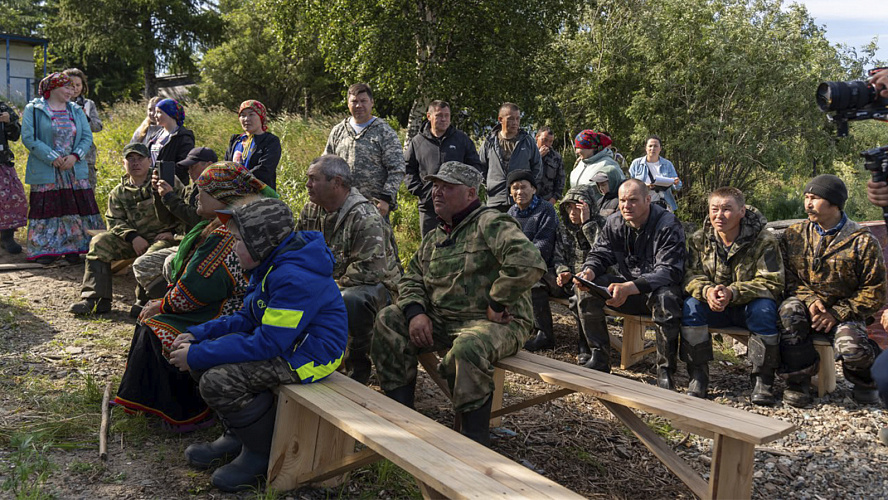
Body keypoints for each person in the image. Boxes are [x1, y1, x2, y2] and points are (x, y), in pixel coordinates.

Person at [169, 198, 347, 492]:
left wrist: (199, 354)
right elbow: (247, 316)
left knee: (216, 380)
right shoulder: (271, 263)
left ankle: (261, 455)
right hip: (285, 345)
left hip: (309, 356)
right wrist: (198, 335)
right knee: (206, 358)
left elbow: (268, 343)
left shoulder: (293, 277)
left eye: (238, 241)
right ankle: (238, 436)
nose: (234, 248)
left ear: (260, 242)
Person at [371, 161, 546, 446]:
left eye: (447, 188)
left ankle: (474, 440)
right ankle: (401, 419)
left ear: (470, 194)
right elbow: (412, 279)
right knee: (389, 320)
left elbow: (528, 261)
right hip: (444, 319)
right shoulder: (435, 237)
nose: (437, 193)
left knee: (467, 348)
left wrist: (498, 301)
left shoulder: (491, 222)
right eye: (435, 187)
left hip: (494, 322)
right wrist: (416, 313)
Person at [114, 161, 279, 434]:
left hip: (231, 311)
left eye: (203, 191)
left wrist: (164, 304)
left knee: (159, 328)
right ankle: (141, 401)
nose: (196, 195)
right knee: (149, 320)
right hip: (219, 305)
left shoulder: (227, 232)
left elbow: (198, 287)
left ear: (222, 197)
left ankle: (188, 412)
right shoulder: (218, 224)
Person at [779, 174, 887, 407]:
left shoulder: (862, 240)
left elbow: (875, 291)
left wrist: (836, 313)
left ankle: (866, 380)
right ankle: (797, 381)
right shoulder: (795, 234)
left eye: (815, 198)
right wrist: (809, 299)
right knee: (789, 311)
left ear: (834, 203)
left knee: (852, 347)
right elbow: (786, 277)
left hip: (846, 313)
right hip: (808, 308)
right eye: (806, 197)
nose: (807, 203)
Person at [562, 179, 685, 378]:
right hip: (626, 290)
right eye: (623, 200)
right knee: (584, 288)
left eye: (633, 200)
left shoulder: (667, 224)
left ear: (648, 199)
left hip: (656, 290)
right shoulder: (615, 222)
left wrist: (630, 287)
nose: (627, 206)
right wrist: (589, 271)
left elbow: (669, 271)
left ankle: (665, 371)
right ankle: (599, 357)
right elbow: (600, 254)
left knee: (666, 298)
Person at [296, 154, 402, 384]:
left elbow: (371, 270)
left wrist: (326, 286)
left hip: (377, 288)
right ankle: (306, 358)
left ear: (336, 183)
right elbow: (297, 252)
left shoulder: (364, 215)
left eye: (314, 179)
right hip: (332, 281)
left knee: (351, 300)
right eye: (308, 179)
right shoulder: (311, 210)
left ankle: (358, 369)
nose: (308, 184)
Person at [682, 187, 784, 403]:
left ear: (742, 212)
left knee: (765, 309)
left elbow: (772, 281)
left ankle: (762, 380)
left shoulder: (764, 241)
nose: (719, 215)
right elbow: (689, 275)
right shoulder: (699, 239)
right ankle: (698, 376)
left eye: (727, 209)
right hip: (714, 305)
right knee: (690, 307)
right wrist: (707, 291)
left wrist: (733, 292)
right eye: (715, 209)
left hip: (747, 307)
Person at [69, 143, 181, 315]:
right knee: (99, 243)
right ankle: (95, 299)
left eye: (140, 159)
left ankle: (145, 300)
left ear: (149, 161)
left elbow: (183, 209)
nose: (135, 163)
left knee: (152, 254)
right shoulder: (118, 192)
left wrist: (174, 233)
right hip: (133, 240)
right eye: (131, 159)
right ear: (124, 163)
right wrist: (132, 237)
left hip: (162, 238)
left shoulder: (166, 181)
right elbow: (114, 220)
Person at [21, 72, 104, 265]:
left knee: (75, 207)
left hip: (73, 169)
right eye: (66, 87)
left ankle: (74, 248)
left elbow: (86, 137)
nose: (71, 91)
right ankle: (46, 250)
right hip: (47, 168)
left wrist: (75, 156)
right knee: (47, 209)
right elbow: (29, 138)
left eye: (72, 87)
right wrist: (52, 157)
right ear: (53, 89)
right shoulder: (34, 109)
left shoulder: (75, 109)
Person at [130, 146, 218, 315]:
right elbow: (168, 219)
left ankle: (180, 306)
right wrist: (159, 195)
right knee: (142, 264)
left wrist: (170, 197)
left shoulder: (216, 189)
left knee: (171, 262)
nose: (190, 170)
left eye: (194, 165)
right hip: (187, 241)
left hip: (206, 244)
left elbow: (197, 219)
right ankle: (170, 303)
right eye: (188, 166)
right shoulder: (191, 189)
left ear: (209, 164)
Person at [555, 173, 623, 364]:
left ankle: (585, 344)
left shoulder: (603, 224)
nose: (572, 213)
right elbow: (557, 254)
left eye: (576, 208)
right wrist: (562, 271)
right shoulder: (564, 228)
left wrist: (587, 224)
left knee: (580, 297)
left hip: (596, 280)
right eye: (568, 208)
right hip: (570, 278)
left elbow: (603, 254)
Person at [324, 83, 405, 219]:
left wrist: (386, 199)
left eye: (363, 101)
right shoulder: (338, 131)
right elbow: (326, 164)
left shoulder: (384, 132)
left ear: (372, 102)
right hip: (341, 204)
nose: (358, 105)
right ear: (348, 103)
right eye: (354, 101)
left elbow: (397, 168)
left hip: (373, 207)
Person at [405, 100, 483, 235]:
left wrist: (465, 191)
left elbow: (475, 166)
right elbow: (407, 168)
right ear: (429, 116)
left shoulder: (461, 139)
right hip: (429, 206)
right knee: (430, 248)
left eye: (447, 116)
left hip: (458, 207)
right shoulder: (417, 141)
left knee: (459, 245)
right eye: (439, 115)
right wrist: (421, 192)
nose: (444, 119)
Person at [506, 170, 563, 351]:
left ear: (534, 189)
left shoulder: (546, 210)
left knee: (532, 282)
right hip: (518, 263)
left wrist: (518, 260)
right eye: (515, 188)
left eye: (524, 187)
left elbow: (544, 245)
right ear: (510, 192)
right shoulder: (511, 212)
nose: (519, 192)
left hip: (547, 268)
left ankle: (545, 334)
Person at [479, 103, 543, 212]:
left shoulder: (527, 141)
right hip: (495, 200)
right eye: (511, 119)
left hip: (521, 201)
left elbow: (537, 167)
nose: (515, 123)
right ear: (500, 119)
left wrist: (528, 187)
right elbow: (480, 167)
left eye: (518, 119)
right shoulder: (489, 142)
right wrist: (491, 184)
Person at [224, 100, 281, 190]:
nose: (246, 119)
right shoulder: (235, 140)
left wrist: (240, 181)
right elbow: (226, 165)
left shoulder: (270, 141)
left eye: (251, 114)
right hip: (234, 194)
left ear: (261, 118)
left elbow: (265, 170)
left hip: (259, 195)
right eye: (243, 115)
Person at [63, 68, 103, 188]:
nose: (75, 88)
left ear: (83, 86)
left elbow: (98, 126)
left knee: (88, 191)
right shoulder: (58, 103)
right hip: (64, 155)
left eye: (78, 85)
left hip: (86, 157)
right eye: (71, 85)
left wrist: (85, 118)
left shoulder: (89, 104)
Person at [147, 98, 195, 185]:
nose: (155, 115)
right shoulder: (156, 135)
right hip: (154, 183)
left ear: (171, 114)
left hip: (173, 186)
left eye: (159, 112)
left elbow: (183, 165)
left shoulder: (184, 137)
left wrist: (164, 175)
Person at [628, 135, 682, 212]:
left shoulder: (667, 164)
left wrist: (676, 182)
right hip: (641, 205)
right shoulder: (636, 163)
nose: (652, 148)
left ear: (660, 149)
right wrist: (644, 186)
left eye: (656, 146)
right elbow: (629, 184)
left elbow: (677, 186)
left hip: (663, 205)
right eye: (650, 146)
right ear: (646, 148)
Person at [0, 100, 25, 254]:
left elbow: (15, 136)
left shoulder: (3, 108)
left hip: (2, 162)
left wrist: (9, 122)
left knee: (12, 197)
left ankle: (6, 237)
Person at [568, 129, 624, 198]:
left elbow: (621, 191)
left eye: (579, 147)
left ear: (592, 148)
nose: (576, 151)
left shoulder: (608, 165)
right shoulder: (580, 163)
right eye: (576, 147)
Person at [535, 127, 565, 205]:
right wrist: (538, 157)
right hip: (528, 199)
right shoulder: (528, 153)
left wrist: (554, 198)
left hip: (547, 200)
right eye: (544, 140)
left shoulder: (556, 157)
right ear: (537, 138)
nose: (547, 144)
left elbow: (561, 180)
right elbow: (522, 172)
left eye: (551, 141)